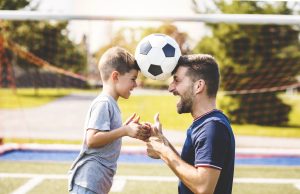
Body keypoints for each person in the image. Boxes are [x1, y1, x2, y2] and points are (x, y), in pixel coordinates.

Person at [146, 54, 235, 194]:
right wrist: (163, 143)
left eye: (176, 80)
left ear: (198, 86)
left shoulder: (212, 127)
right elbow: (192, 169)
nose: (170, 88)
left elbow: (203, 187)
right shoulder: (205, 123)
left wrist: (163, 150)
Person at [68, 46, 150, 194]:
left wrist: (126, 129)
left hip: (96, 184)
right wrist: (124, 130)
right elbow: (92, 139)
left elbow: (106, 135)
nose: (135, 84)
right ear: (116, 76)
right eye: (133, 79)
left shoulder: (111, 103)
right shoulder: (104, 103)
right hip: (88, 183)